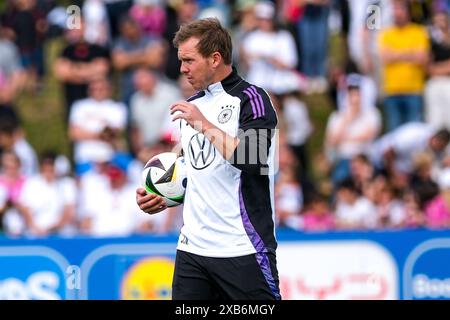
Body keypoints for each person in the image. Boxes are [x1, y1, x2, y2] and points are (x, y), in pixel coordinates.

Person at [136, 18, 281, 300]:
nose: (182, 69)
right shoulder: (191, 106)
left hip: (243, 248)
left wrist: (203, 124)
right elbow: (197, 171)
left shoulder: (252, 99)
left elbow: (253, 158)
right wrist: (164, 197)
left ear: (215, 59)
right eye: (181, 61)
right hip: (193, 250)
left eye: (189, 60)